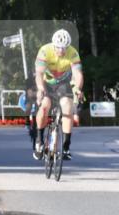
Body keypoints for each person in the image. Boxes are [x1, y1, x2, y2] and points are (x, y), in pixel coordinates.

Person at [33, 29, 84, 160]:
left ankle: (66, 147)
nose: (61, 51)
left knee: (67, 106)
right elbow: (38, 74)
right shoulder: (45, 51)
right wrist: (40, 88)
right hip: (47, 83)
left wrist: (77, 89)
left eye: (64, 48)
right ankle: (39, 140)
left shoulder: (73, 53)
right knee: (44, 106)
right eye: (59, 48)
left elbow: (78, 74)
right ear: (53, 45)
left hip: (63, 84)